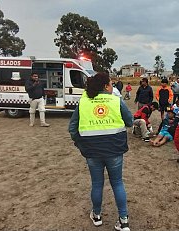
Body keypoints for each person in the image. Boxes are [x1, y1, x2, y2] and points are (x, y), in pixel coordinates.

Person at [68, 72, 133, 231]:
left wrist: (80, 144)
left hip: (92, 151)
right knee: (117, 182)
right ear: (106, 86)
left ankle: (96, 216)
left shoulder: (84, 102)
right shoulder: (116, 101)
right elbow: (130, 122)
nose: (113, 86)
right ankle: (123, 220)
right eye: (111, 84)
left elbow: (72, 128)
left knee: (97, 184)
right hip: (114, 150)